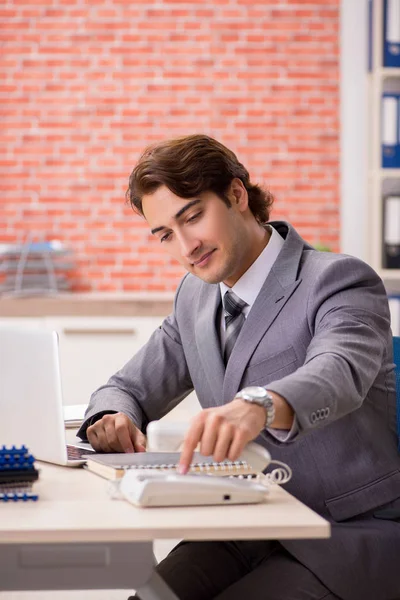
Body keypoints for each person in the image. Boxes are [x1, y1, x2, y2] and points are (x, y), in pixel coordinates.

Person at [78, 134, 400, 600]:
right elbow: (127, 386)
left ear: (236, 195)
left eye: (192, 217)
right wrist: (113, 417)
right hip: (244, 525)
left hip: (342, 535)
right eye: (166, 234)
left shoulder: (337, 280)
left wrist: (260, 405)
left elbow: (339, 370)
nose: (186, 246)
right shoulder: (195, 298)